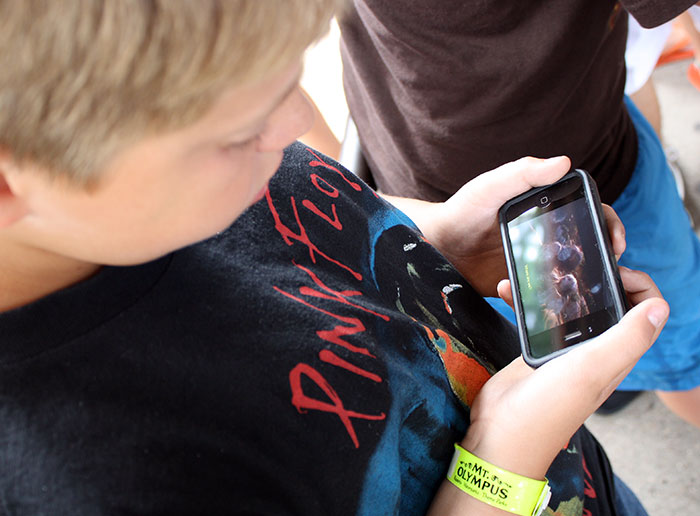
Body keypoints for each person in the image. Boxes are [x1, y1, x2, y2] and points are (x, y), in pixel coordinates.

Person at [0, 1, 669, 515]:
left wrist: (424, 237)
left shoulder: (160, 161)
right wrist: (500, 463)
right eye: (240, 132)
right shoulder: (88, 485)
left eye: (294, 78)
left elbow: (289, 230)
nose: (296, 127)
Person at [338, 0, 700, 428]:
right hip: (452, 222)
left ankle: (628, 378)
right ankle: (624, 379)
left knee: (658, 345)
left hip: (599, 167)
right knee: (582, 345)